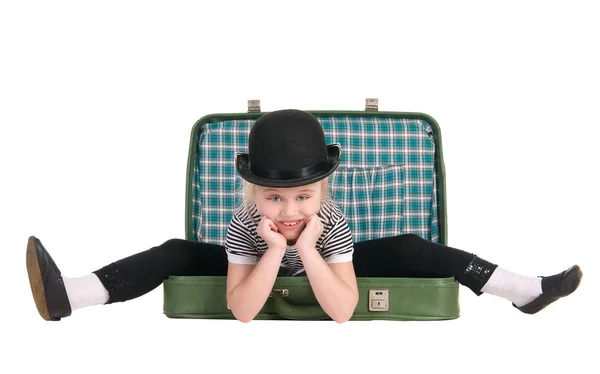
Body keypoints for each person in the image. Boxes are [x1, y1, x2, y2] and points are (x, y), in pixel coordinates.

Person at [26, 109, 583, 323]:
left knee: (414, 245)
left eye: (301, 196)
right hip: (253, 259)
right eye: (272, 196)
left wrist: (311, 248)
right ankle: (71, 296)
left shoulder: (329, 219)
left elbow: (342, 311)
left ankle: (524, 289)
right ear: (250, 191)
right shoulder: (244, 225)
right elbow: (244, 311)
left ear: (323, 190)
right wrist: (273, 248)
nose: (289, 210)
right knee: (175, 251)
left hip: (330, 260)